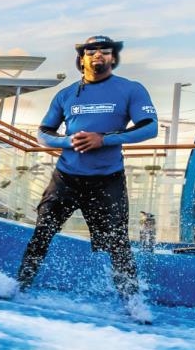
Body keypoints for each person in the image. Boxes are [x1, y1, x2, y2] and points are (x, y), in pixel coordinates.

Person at [14, 35, 159, 318]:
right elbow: (44, 133)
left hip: (107, 179)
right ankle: (19, 287)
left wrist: (102, 139)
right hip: (66, 177)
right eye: (91, 52)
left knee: (118, 245)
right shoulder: (66, 94)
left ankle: (134, 306)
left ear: (113, 59)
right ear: (82, 59)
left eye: (105, 52)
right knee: (41, 234)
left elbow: (149, 128)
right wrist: (68, 142)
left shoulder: (130, 89)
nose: (98, 56)